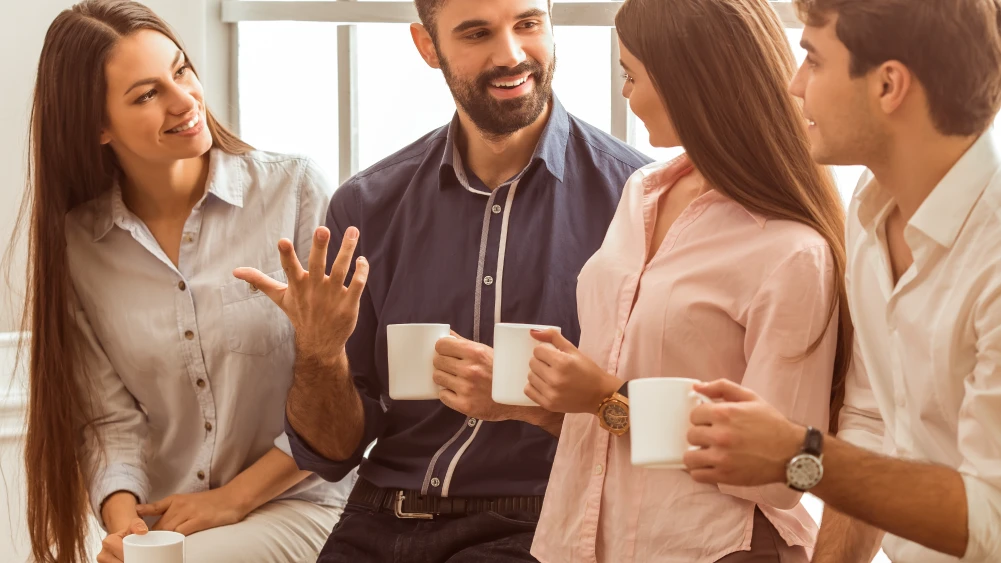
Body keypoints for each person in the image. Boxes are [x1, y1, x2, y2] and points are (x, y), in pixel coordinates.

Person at [233, 0, 651, 560]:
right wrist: (319, 352)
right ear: (427, 46)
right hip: (379, 511)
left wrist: (527, 401)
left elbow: (654, 423)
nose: (511, 54)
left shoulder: (636, 200)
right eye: (477, 33)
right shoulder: (366, 206)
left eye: (528, 24)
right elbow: (332, 452)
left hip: (537, 518)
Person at [498, 0, 851, 561]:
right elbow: (613, 385)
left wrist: (605, 400)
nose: (625, 94)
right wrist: (538, 398)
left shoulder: (791, 251)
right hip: (573, 539)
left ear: (691, 84)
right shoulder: (643, 190)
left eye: (631, 75)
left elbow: (780, 474)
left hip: (710, 549)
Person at [6, 1, 357, 562]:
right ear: (96, 125)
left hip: (304, 506)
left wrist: (234, 498)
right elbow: (108, 419)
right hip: (174, 523)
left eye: (181, 69)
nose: (184, 100)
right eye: (146, 95)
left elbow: (350, 385)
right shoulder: (79, 245)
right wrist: (125, 526)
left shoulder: (293, 191)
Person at [680, 1, 1001, 562]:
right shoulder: (870, 208)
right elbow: (871, 425)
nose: (795, 85)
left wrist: (798, 454)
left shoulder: (992, 254)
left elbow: (991, 517)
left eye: (814, 60)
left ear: (888, 86)